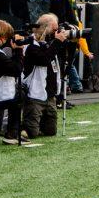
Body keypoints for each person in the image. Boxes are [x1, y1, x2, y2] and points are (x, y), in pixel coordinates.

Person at [19, 13, 68, 141]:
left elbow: (62, 61)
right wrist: (57, 42)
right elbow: (44, 59)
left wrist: (67, 42)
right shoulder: (31, 45)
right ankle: (10, 125)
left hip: (50, 95)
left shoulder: (49, 44)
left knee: (50, 131)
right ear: (45, 28)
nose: (56, 32)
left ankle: (34, 122)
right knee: (31, 133)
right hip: (35, 95)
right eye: (54, 29)